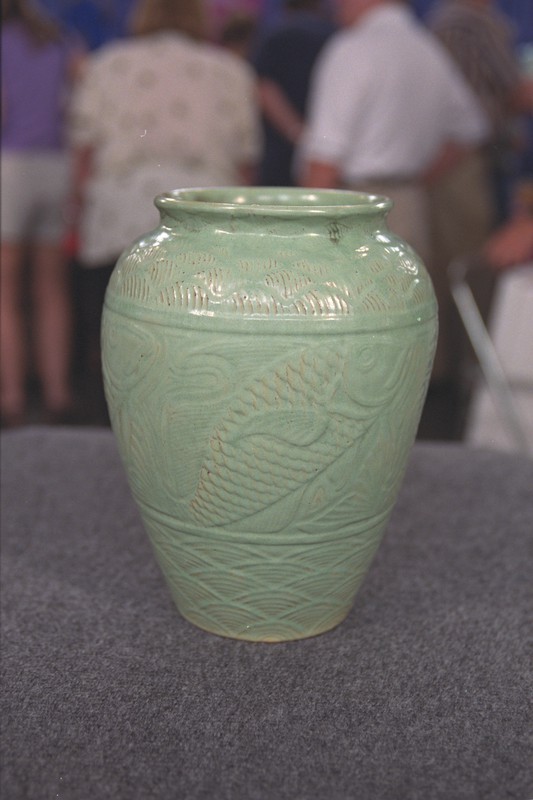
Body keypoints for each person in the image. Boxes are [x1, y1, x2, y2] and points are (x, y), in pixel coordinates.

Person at [68, 0, 262, 408]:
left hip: (119, 213)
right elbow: (246, 162)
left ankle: (122, 419)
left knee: (122, 331)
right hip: (204, 213)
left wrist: (75, 214)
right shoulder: (228, 70)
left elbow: (84, 151)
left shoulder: (106, 65)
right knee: (199, 336)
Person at [297, 0, 490, 381]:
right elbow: (471, 128)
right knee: (409, 340)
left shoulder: (352, 49)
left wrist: (304, 245)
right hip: (410, 203)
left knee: (359, 350)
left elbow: (324, 159)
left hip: (353, 210)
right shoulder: (426, 49)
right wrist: (416, 177)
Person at [1, 0, 84, 427]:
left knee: (5, 291)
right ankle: (57, 391)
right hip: (57, 167)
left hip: (9, 168)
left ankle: (12, 397)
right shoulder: (60, 42)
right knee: (52, 287)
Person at [253, 0, 335, 186]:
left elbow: (262, 88)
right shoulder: (334, 36)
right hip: (324, 153)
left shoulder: (275, 34)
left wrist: (296, 132)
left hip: (281, 154)